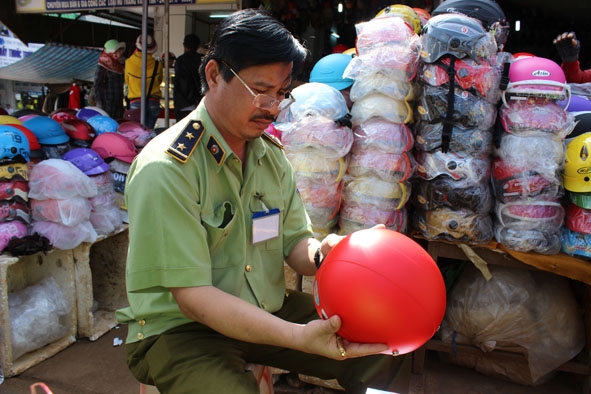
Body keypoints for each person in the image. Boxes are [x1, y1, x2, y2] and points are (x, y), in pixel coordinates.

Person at [116, 9, 410, 394]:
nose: (272, 106)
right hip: (181, 330)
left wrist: (329, 253)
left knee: (382, 338)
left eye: (281, 92)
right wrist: (297, 337)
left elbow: (294, 244)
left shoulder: (269, 155)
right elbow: (193, 299)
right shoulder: (168, 169)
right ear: (213, 75)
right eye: (260, 89)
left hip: (261, 311)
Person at [125, 33, 164, 129]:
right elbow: (159, 81)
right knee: (148, 133)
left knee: (136, 134)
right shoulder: (157, 65)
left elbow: (127, 81)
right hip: (153, 102)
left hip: (135, 101)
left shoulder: (128, 62)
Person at [173, 33, 204, 122]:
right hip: (201, 103)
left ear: (184, 45)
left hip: (183, 103)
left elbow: (180, 81)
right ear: (198, 46)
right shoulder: (203, 59)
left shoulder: (180, 60)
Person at [93, 39, 126, 119]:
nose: (119, 54)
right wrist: (99, 103)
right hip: (107, 104)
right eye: (116, 51)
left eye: (119, 51)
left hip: (118, 103)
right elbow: (97, 85)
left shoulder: (119, 66)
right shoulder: (102, 65)